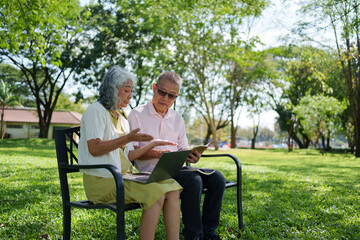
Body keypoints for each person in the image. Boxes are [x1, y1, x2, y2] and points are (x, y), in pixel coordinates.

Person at [78, 66, 182, 240]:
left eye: (131, 91)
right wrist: (127, 139)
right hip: (103, 182)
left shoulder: (122, 118)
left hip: (124, 178)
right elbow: (94, 148)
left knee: (171, 187)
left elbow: (129, 156)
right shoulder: (95, 111)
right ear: (112, 89)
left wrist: (153, 145)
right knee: (157, 191)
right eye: (126, 90)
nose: (130, 96)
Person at [128, 71, 226, 240]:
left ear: (176, 96)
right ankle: (194, 235)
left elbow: (183, 148)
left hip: (177, 169)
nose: (165, 99)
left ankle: (209, 233)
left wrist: (193, 157)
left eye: (171, 96)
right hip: (151, 173)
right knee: (193, 181)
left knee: (218, 178)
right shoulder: (137, 114)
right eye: (162, 92)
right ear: (154, 88)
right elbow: (132, 154)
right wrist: (158, 154)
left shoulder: (177, 117)